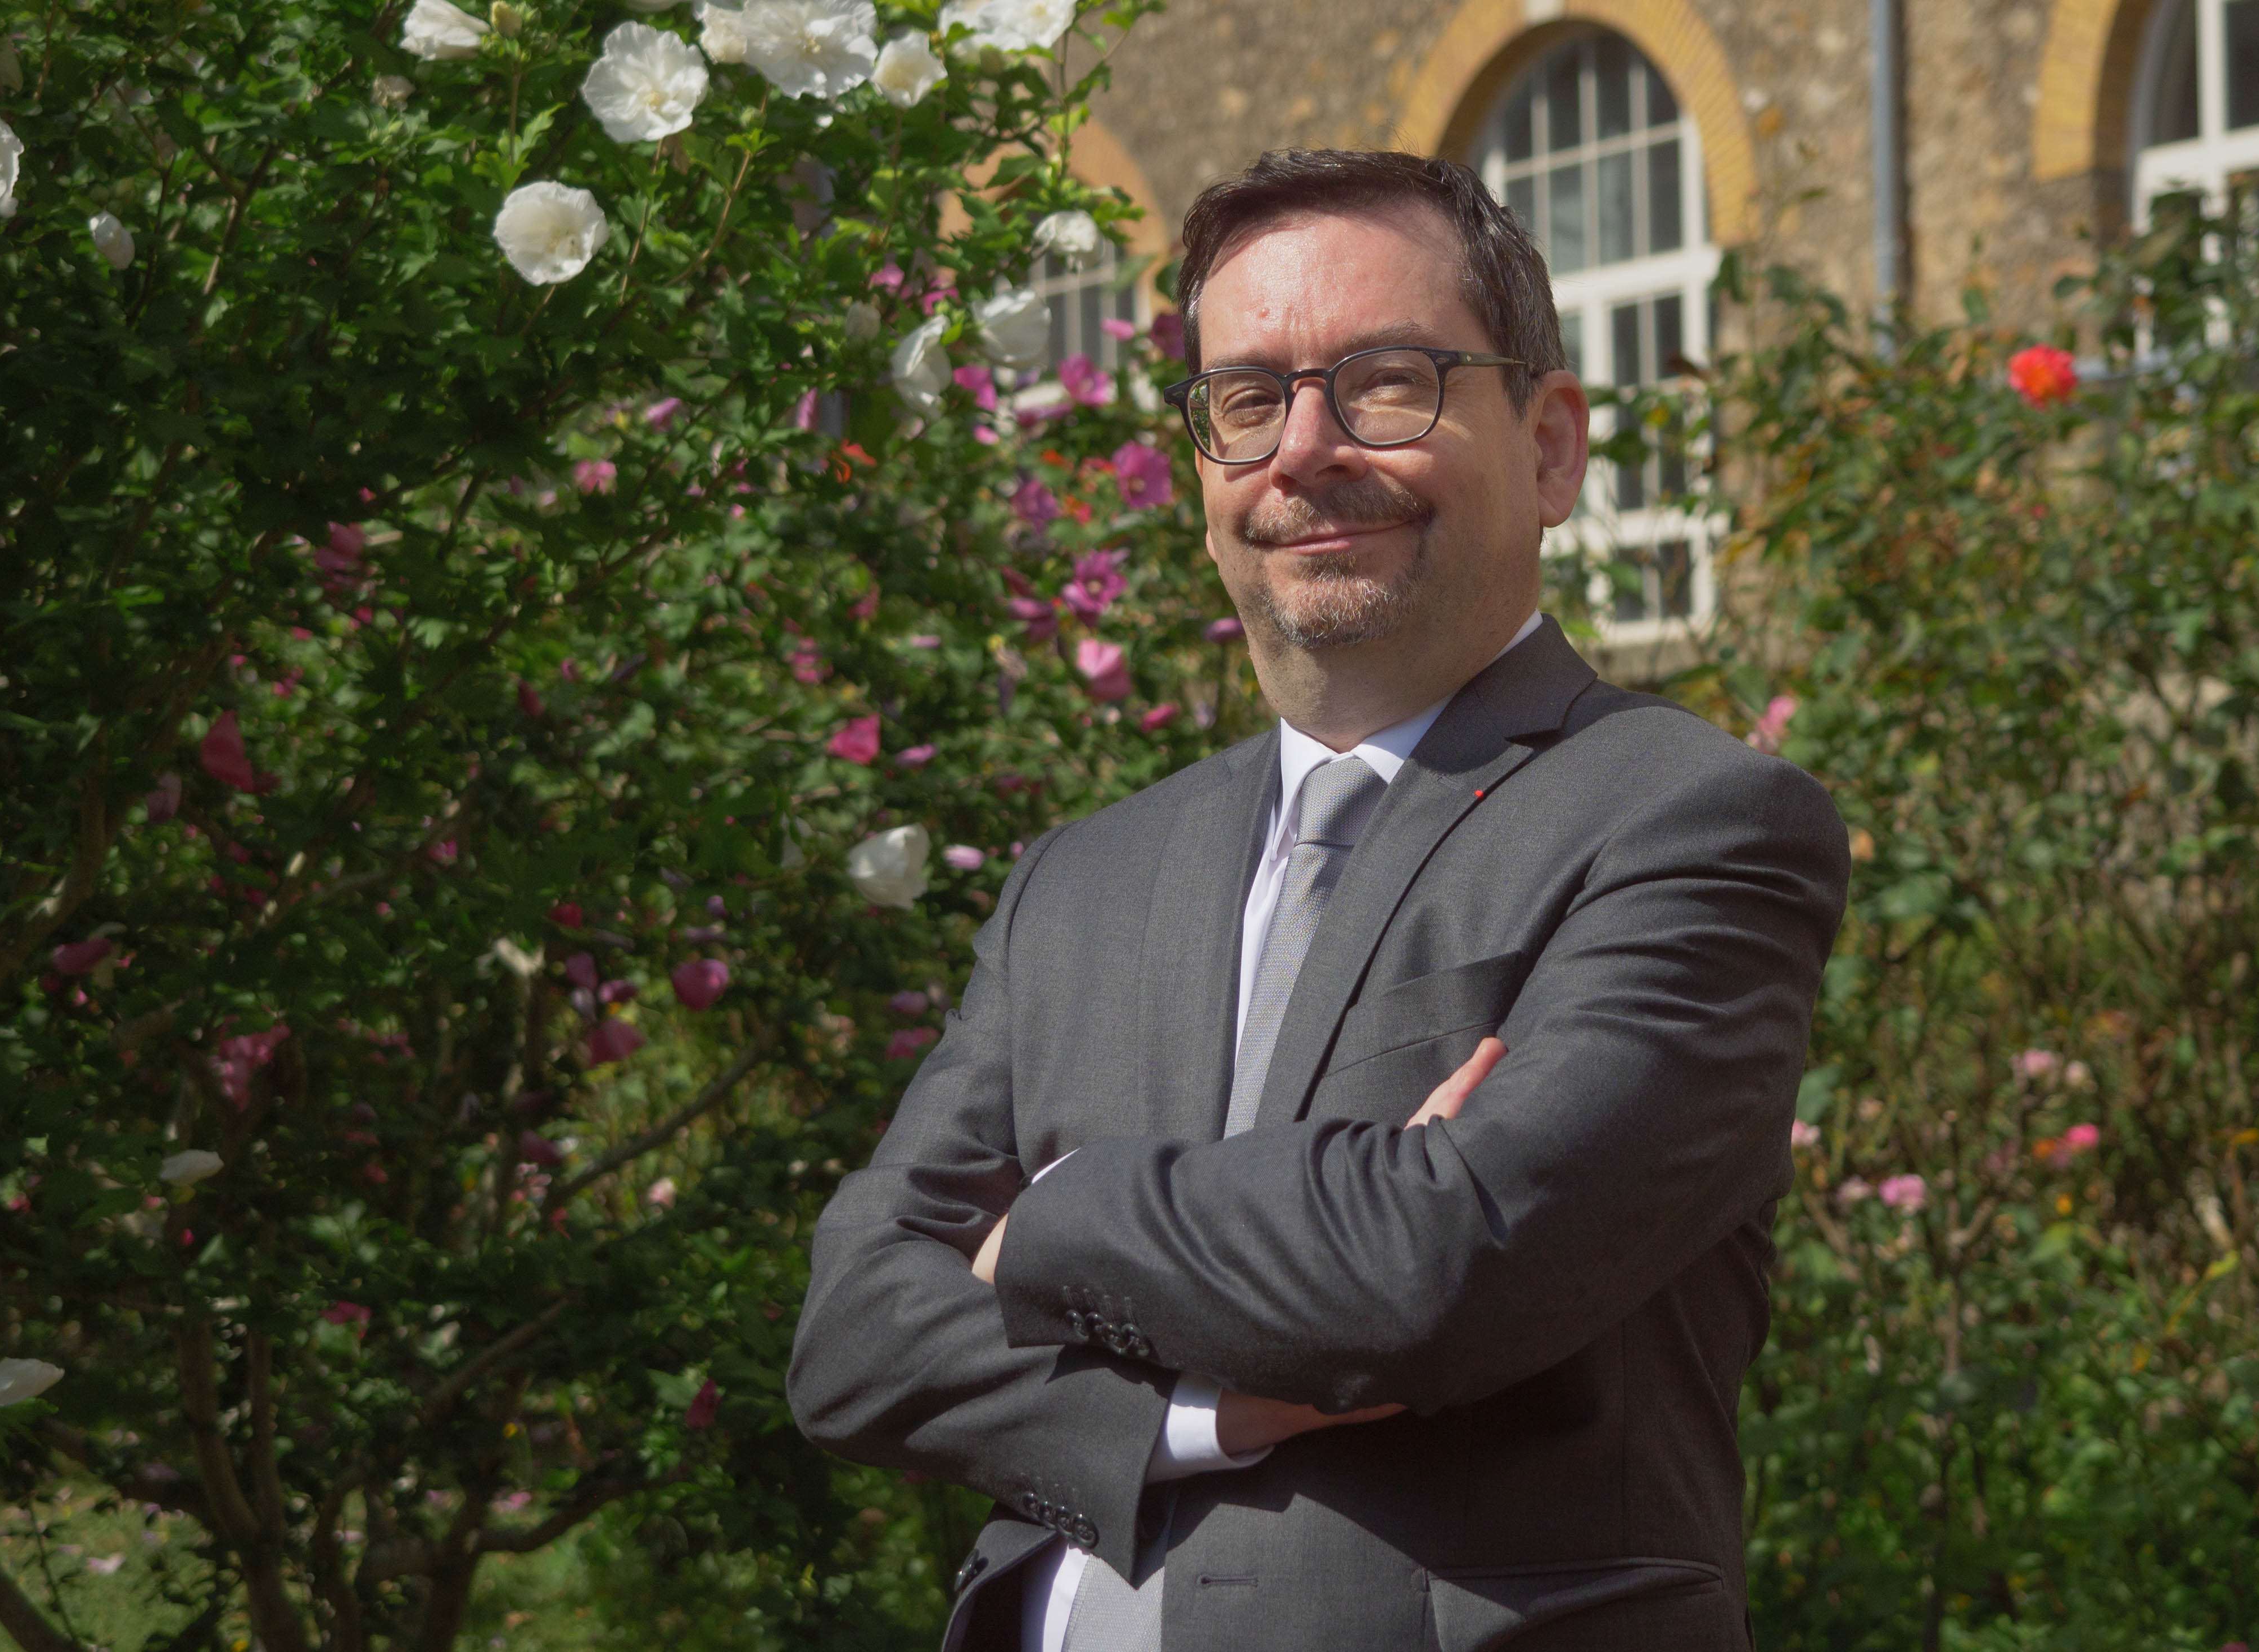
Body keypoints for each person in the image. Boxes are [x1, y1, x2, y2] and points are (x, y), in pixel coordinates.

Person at [788, 148, 1848, 1652]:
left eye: (1389, 383)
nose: (1305, 450)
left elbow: (1442, 1261)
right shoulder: (1084, 883)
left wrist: (1048, 1220)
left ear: (1551, 447)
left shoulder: (1689, 823)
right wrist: (1201, 1417)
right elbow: (851, 1338)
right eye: (1248, 401)